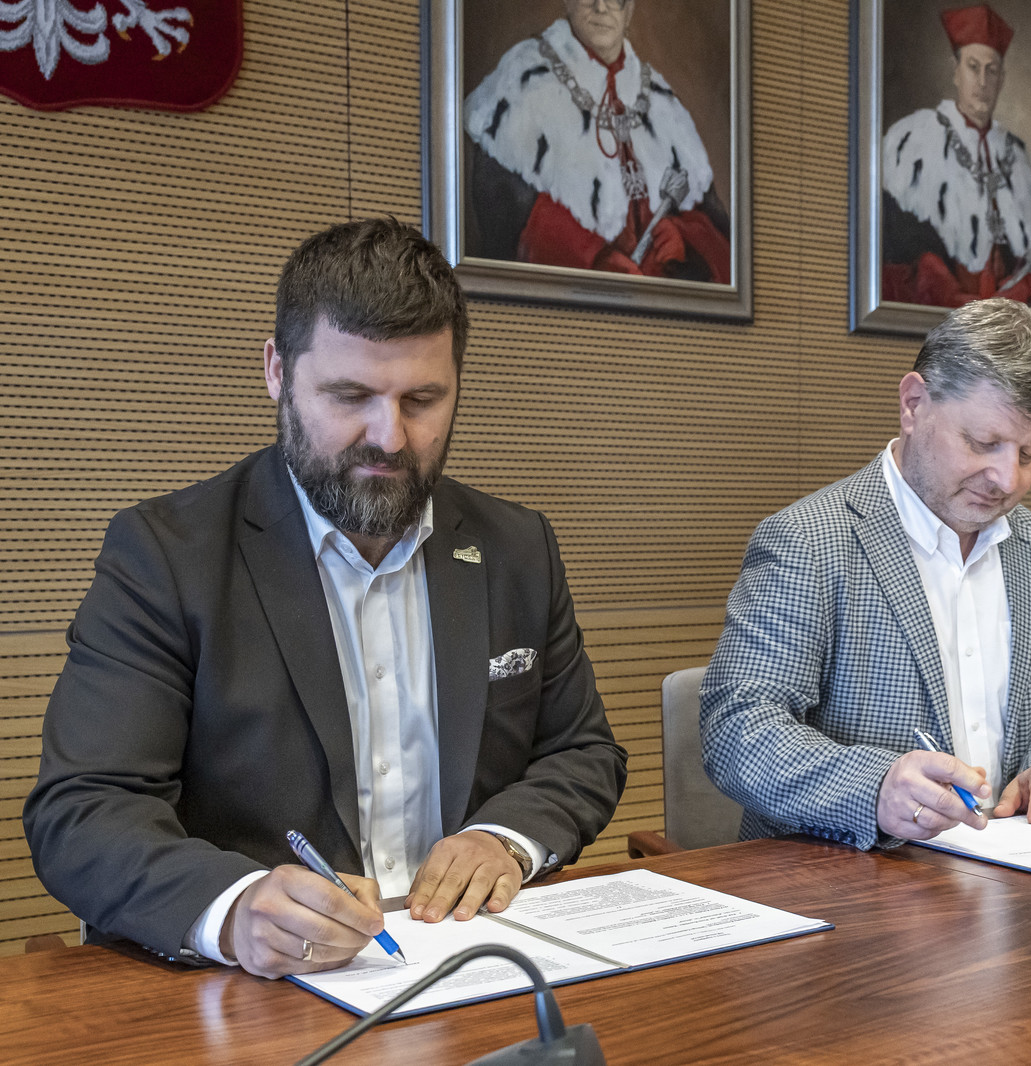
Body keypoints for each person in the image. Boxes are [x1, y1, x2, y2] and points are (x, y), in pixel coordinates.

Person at [24, 219, 627, 979]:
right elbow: (83, 808)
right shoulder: (166, 555)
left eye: (422, 399)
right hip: (264, 988)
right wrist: (235, 910)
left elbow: (581, 751)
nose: (390, 437)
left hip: (474, 962)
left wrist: (503, 839)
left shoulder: (516, 546)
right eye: (350, 396)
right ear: (278, 372)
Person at [701, 298, 1031, 851]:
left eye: (1028, 454)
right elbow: (737, 727)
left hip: (1020, 870)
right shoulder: (810, 541)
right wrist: (875, 788)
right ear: (914, 404)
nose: (1006, 479)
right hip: (850, 873)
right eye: (983, 443)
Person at [464, 0, 730, 282]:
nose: (601, 7)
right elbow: (502, 215)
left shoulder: (662, 102)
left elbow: (716, 233)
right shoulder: (523, 81)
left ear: (629, 9)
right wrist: (592, 257)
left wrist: (681, 236)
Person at [879, 3, 1031, 318]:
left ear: (1002, 79)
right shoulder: (914, 141)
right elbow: (902, 253)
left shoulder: (1019, 157)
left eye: (991, 70)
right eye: (973, 67)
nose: (982, 81)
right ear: (956, 71)